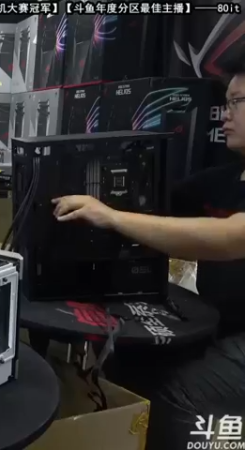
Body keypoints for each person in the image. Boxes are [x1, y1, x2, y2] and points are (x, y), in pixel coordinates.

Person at [52, 59, 245, 447]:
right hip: (221, 324)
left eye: (237, 102)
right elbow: (155, 203)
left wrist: (111, 216)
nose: (225, 115)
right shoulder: (225, 179)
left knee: (180, 396)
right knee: (128, 360)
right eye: (226, 103)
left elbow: (230, 237)